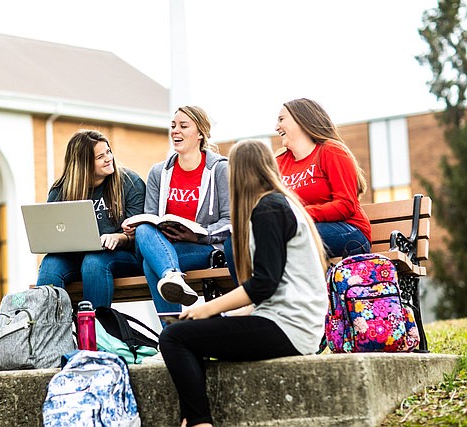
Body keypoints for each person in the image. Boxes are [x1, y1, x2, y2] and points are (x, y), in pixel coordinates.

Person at [159, 139, 329, 427]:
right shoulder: (280, 203)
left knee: (174, 338)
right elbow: (271, 289)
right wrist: (223, 315)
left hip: (289, 328)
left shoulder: (269, 209)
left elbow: (264, 284)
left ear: (239, 173)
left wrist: (207, 309)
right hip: (294, 325)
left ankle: (200, 423)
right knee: (189, 334)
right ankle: (194, 417)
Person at [122, 106, 230, 314]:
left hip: (205, 247)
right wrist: (135, 226)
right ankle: (172, 276)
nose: (175, 131)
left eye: (183, 126)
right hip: (166, 247)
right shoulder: (158, 172)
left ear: (200, 133)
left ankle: (171, 333)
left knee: (151, 265)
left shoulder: (219, 169)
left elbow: (230, 220)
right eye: (173, 126)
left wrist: (199, 235)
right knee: (145, 230)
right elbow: (150, 217)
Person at [36, 130, 145, 308]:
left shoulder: (129, 182)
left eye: (108, 152)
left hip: (121, 256)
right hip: (74, 257)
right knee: (50, 265)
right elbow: (53, 234)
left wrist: (118, 238)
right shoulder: (61, 190)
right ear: (83, 164)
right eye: (100, 156)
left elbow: (140, 234)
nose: (108, 158)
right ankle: (49, 333)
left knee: (93, 261)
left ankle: (96, 331)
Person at [275, 98, 371, 258]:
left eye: (281, 119)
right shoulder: (279, 163)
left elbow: (346, 205)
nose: (276, 127)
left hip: (349, 231)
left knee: (290, 238)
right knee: (240, 245)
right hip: (298, 229)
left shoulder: (331, 151)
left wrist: (302, 214)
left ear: (301, 119)